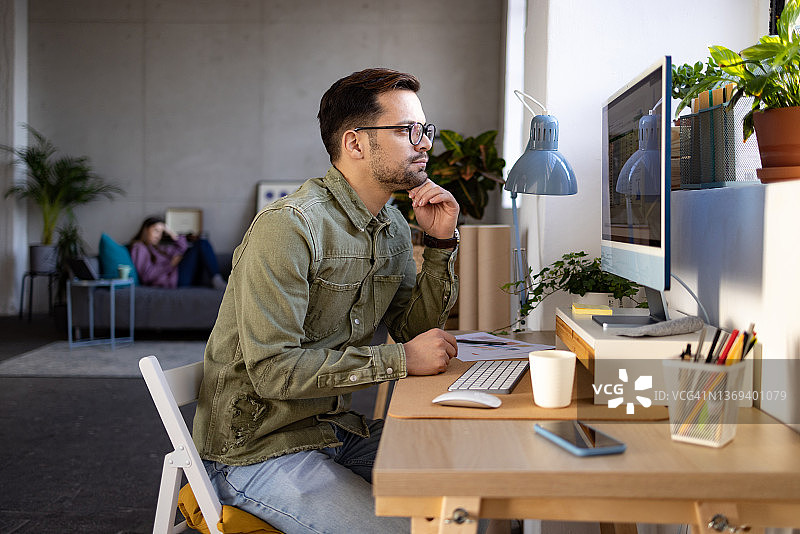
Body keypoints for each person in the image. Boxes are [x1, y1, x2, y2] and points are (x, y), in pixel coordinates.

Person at [192, 68, 461, 533]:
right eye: (406, 130)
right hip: (255, 450)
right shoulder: (290, 227)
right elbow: (274, 371)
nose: (424, 143)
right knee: (411, 531)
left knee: (472, 479)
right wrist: (400, 360)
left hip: (334, 431)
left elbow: (414, 334)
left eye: (424, 130)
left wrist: (439, 245)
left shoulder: (394, 227)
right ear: (355, 144)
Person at [129, 216, 227, 290]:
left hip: (179, 277)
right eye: (155, 230)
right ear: (145, 230)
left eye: (160, 232)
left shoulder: (157, 248)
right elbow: (146, 276)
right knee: (201, 243)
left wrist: (171, 232)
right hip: (174, 281)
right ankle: (217, 280)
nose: (158, 236)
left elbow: (182, 248)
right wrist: (170, 264)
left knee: (200, 244)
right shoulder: (139, 247)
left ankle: (216, 279)